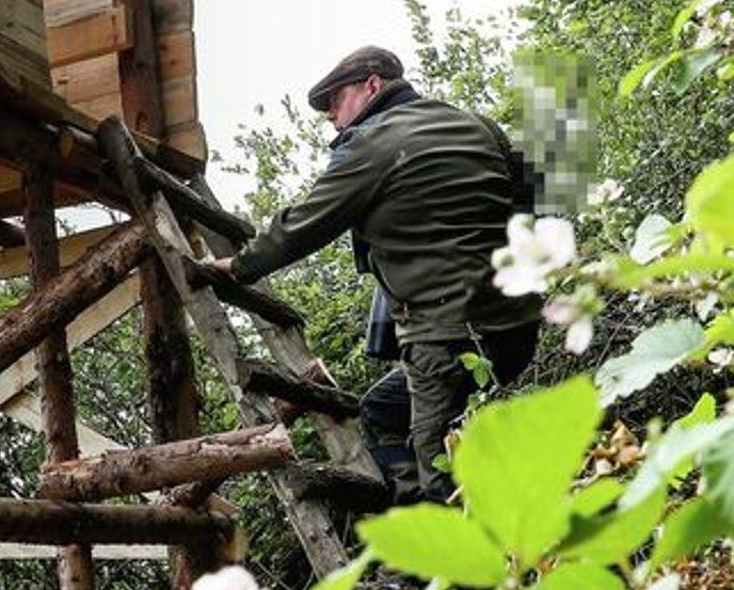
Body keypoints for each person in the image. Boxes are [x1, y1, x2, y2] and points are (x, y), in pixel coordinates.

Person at [207, 46, 541, 503]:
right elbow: (530, 207)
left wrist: (239, 266)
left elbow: (306, 222)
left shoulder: (373, 140)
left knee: (440, 470)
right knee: (386, 409)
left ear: (372, 85)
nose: (331, 117)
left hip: (445, 334)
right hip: (515, 327)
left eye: (334, 101)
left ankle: (450, 563)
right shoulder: (477, 124)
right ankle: (445, 540)